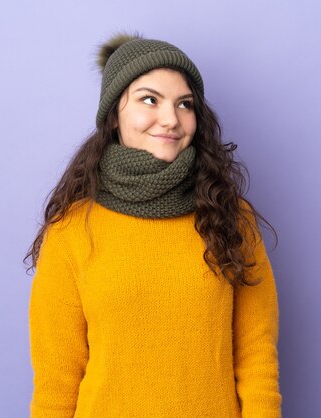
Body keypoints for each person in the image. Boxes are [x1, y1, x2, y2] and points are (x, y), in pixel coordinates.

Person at [25, 32, 282, 417]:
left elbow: (256, 357)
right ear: (114, 114)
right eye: (150, 99)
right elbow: (56, 382)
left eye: (185, 104)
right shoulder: (71, 231)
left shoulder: (230, 218)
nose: (171, 119)